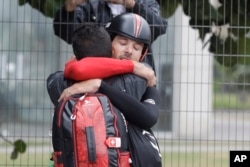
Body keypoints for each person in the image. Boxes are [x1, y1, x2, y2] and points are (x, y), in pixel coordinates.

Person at [53, 0, 167, 71]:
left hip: (138, 71)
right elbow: (68, 35)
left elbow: (158, 28)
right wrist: (69, 8)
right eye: (123, 42)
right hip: (99, 71)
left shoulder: (145, 2)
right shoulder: (90, 5)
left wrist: (133, 5)